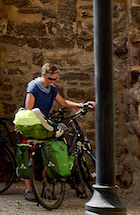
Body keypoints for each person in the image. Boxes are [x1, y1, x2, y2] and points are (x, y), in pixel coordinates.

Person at [22, 63, 94, 203]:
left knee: (50, 149)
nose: (52, 82)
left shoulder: (52, 89)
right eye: (50, 79)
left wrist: (80, 105)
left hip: (44, 123)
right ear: (43, 75)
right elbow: (28, 109)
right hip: (32, 124)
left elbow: (63, 102)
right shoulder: (34, 87)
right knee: (28, 153)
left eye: (55, 79)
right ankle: (29, 189)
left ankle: (46, 181)